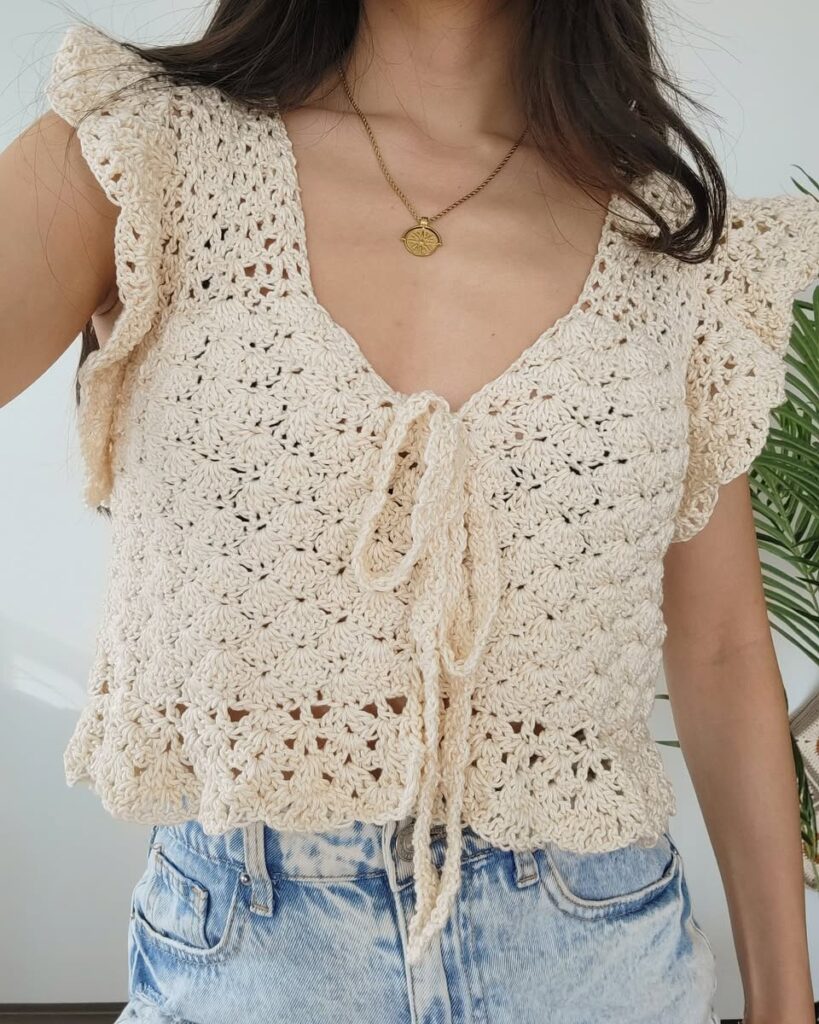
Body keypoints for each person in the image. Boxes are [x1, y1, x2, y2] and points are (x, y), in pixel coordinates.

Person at [1, 1, 817, 1021]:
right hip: (253, 958)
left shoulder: (670, 246)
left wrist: (785, 1002)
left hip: (597, 953)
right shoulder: (137, 151)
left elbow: (724, 649)